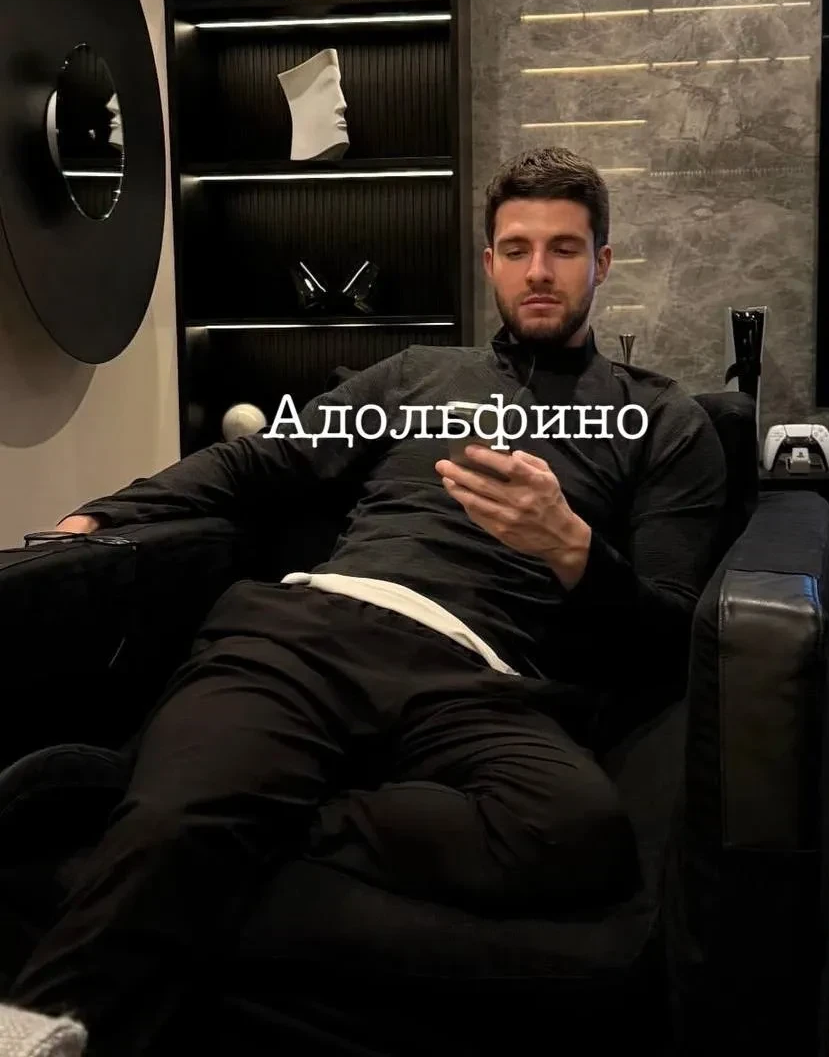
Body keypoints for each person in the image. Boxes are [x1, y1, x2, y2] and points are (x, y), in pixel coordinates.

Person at [1, 148, 727, 1057]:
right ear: (489, 261)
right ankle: (37, 1030)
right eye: (517, 249)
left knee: (575, 831)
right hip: (317, 628)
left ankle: (243, 799)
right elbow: (259, 461)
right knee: (173, 826)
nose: (539, 271)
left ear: (603, 262)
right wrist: (104, 513)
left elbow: (671, 631)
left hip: (482, 679)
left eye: (565, 249)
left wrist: (572, 548)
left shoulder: (660, 420)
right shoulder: (417, 375)